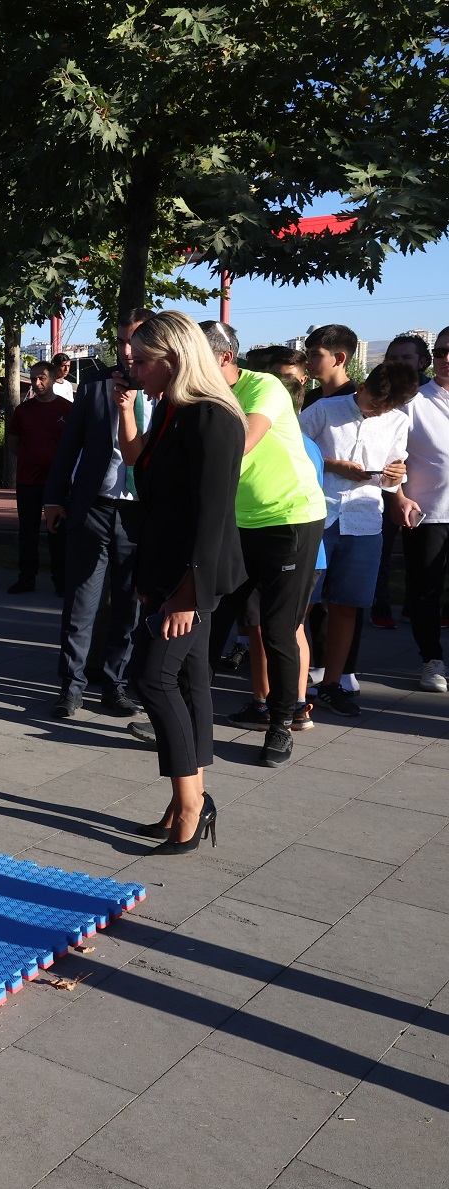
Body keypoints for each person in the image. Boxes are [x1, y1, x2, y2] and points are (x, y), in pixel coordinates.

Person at [116, 311, 247, 853]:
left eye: (141, 361)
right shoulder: (172, 408)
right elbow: (142, 474)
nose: (133, 369)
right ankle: (187, 799)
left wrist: (188, 595)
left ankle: (191, 802)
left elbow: (212, 515)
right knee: (191, 685)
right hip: (166, 568)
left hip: (193, 578)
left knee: (153, 680)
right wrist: (127, 414)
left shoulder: (213, 417)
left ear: (174, 357)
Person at [202, 320, 327, 767]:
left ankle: (281, 725)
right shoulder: (197, 393)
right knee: (212, 621)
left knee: (277, 630)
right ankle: (185, 719)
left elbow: (241, 443)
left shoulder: (265, 387)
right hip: (237, 523)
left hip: (288, 519)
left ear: (223, 358)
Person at [42, 311, 153, 720]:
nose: (126, 351)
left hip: (141, 513)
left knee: (129, 605)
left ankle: (115, 684)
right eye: (121, 341)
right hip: (93, 507)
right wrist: (54, 499)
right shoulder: (94, 388)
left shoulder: (168, 391)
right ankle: (71, 687)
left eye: (135, 341)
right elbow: (68, 447)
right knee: (81, 604)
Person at [298, 362, 418, 716]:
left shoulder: (398, 421)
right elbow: (293, 453)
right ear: (363, 385)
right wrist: (333, 465)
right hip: (318, 516)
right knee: (300, 604)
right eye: (372, 403)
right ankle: (294, 683)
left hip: (364, 522)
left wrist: (395, 474)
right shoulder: (324, 409)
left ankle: (332, 683)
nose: (376, 412)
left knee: (347, 605)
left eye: (384, 409)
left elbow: (391, 480)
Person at [393, 324, 449, 692]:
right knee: (425, 591)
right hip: (428, 512)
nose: (447, 359)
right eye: (442, 351)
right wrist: (398, 496)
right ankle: (432, 660)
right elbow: (391, 455)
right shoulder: (414, 400)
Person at [366, 334, 432, 629]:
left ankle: (417, 608)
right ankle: (380, 605)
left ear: (422, 362)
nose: (399, 364)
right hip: (389, 484)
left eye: (406, 358)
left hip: (428, 489)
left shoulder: (432, 394)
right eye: (393, 358)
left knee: (424, 560)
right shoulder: (381, 396)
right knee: (380, 549)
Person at [8, 362, 72, 594]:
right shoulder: (23, 411)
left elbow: (75, 446)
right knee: (28, 532)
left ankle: (61, 581)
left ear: (53, 378)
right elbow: (14, 443)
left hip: (58, 483)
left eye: (42, 378)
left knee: (58, 532)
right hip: (28, 480)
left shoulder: (67, 409)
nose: (37, 383)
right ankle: (26, 578)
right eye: (34, 379)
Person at [304, 324, 360, 408]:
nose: (308, 361)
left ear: (339, 359)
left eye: (315, 354)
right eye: (307, 354)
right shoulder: (310, 398)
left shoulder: (357, 399)